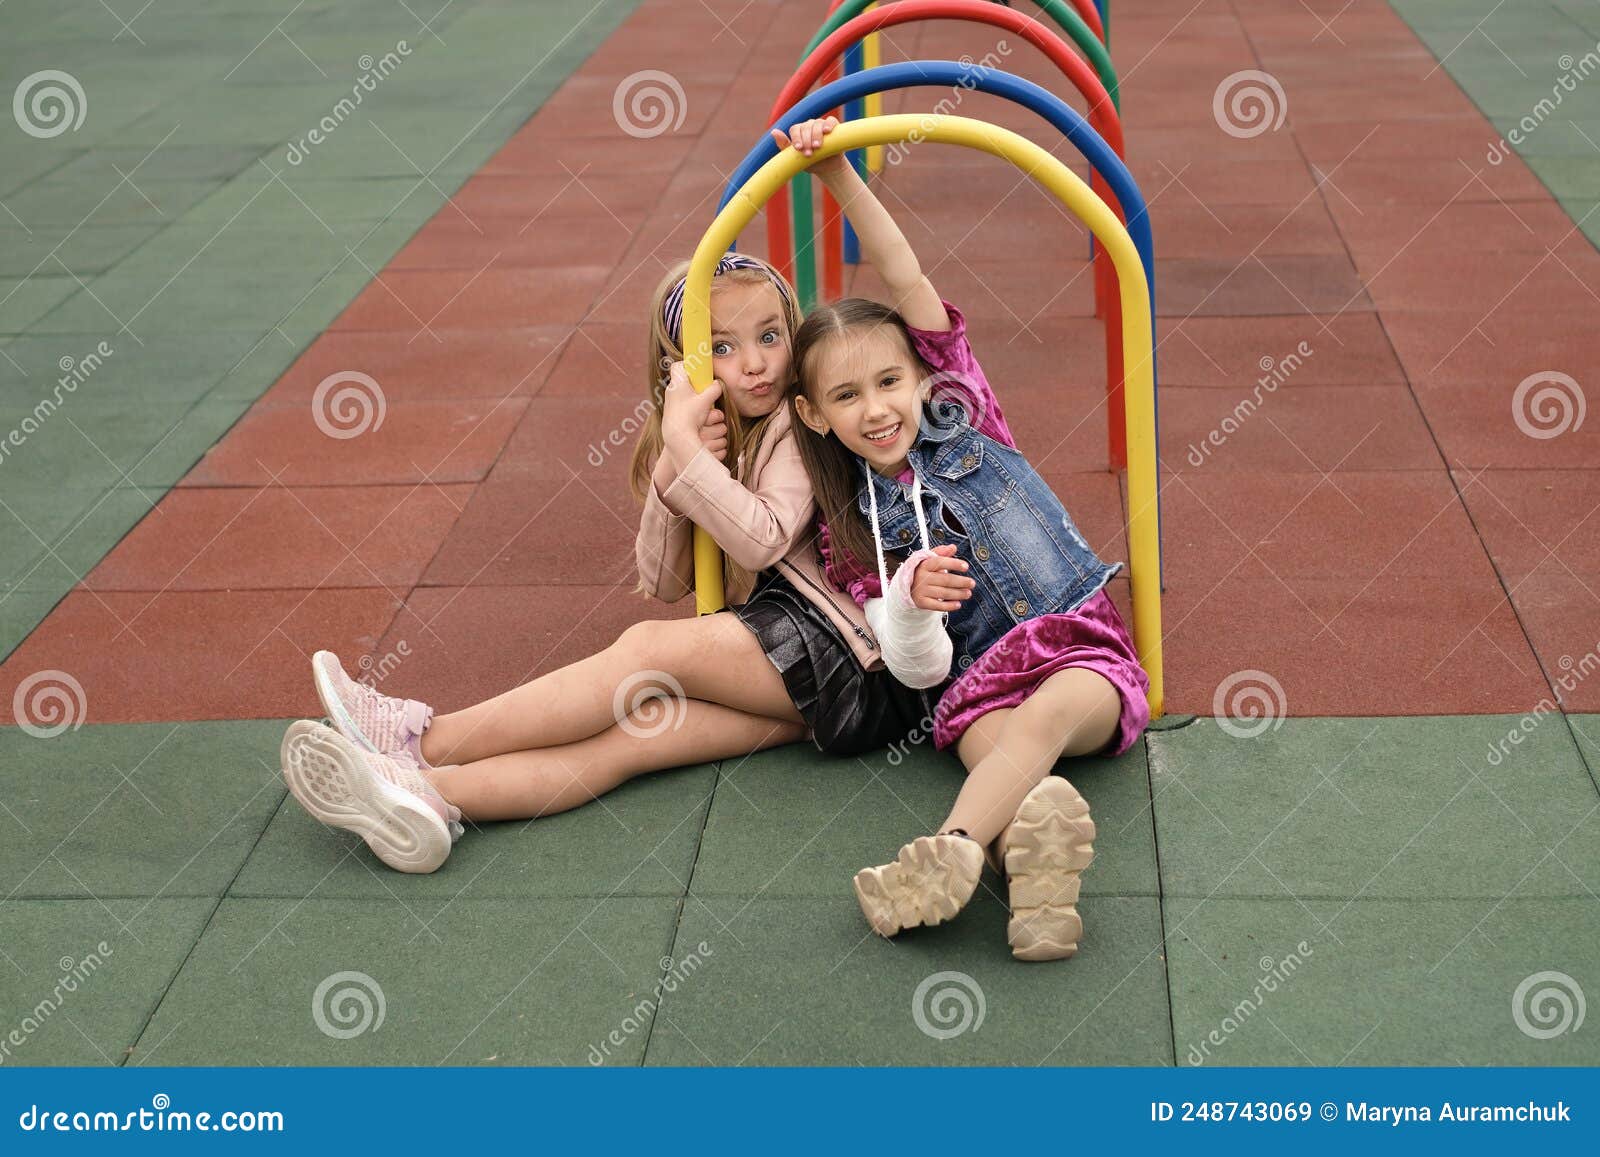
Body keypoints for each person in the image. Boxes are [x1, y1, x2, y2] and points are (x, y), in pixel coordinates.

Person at [783, 117, 1152, 960]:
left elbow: (904, 273)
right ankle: (1040, 906)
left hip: (1077, 651)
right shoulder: (857, 535)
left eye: (888, 382)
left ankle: (951, 849)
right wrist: (910, 603)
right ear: (813, 414)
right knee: (1015, 771)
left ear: (924, 373)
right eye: (846, 397)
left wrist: (838, 174)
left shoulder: (966, 412)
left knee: (1043, 723)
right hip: (975, 686)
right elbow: (918, 666)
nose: (876, 409)